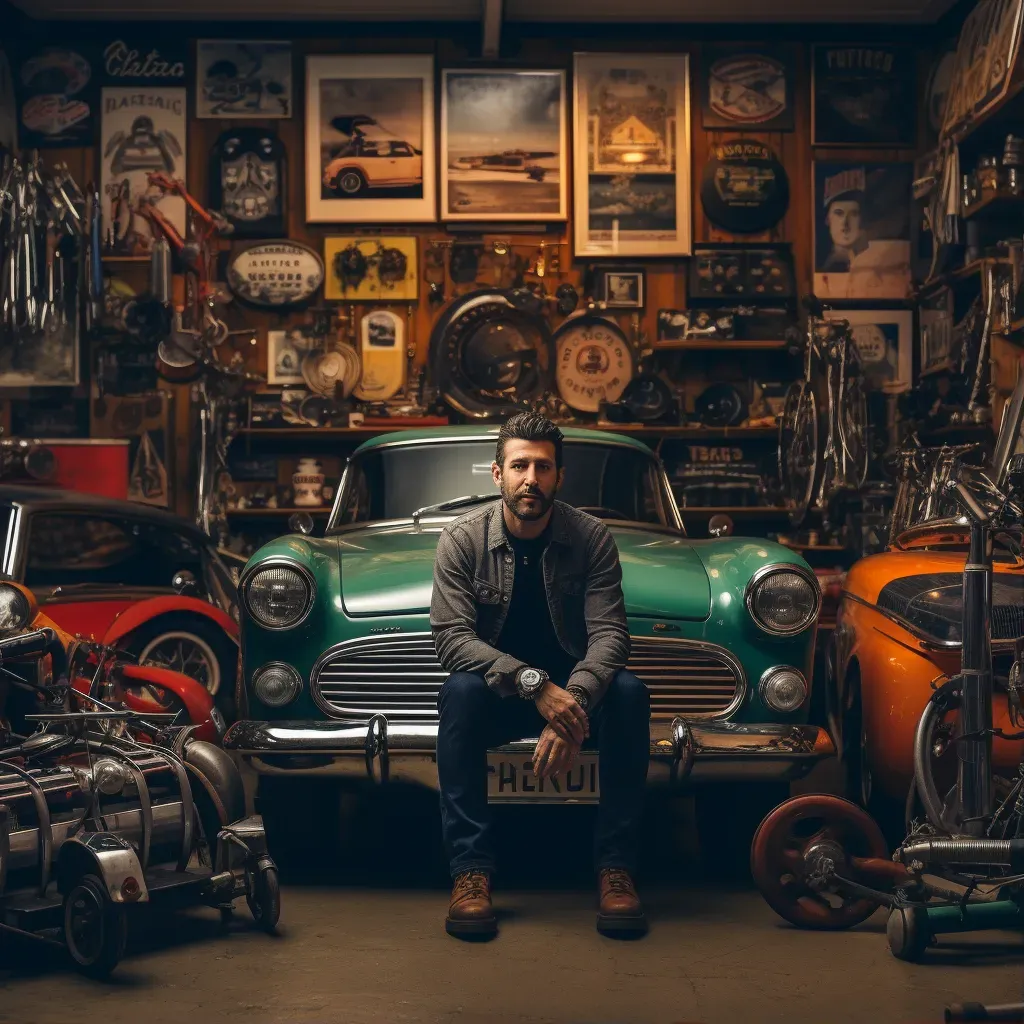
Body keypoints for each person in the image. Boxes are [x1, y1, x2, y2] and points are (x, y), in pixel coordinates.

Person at [430, 412, 650, 941]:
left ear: (560, 476)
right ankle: (471, 873)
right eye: (520, 465)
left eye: (543, 467)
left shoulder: (591, 538)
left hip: (576, 693)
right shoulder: (461, 541)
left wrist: (570, 703)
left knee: (629, 693)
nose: (531, 478)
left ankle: (615, 870)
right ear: (497, 473)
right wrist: (535, 686)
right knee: (457, 692)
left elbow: (610, 636)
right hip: (497, 694)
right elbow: (452, 640)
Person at [817, 166, 911, 299]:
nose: (845, 224)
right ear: (828, 219)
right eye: (839, 213)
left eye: (853, 214)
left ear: (862, 219)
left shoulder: (882, 262)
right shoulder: (823, 269)